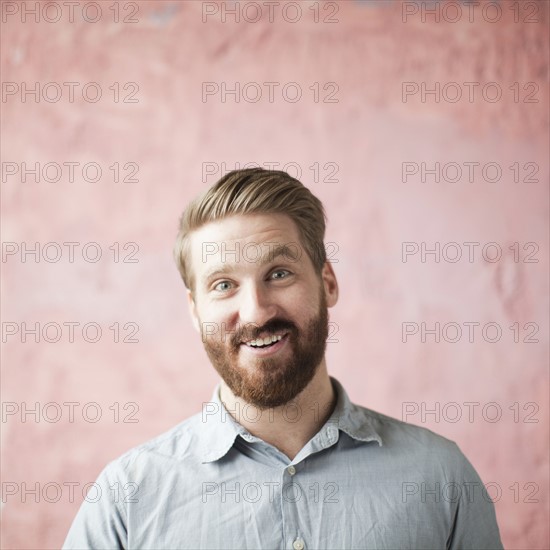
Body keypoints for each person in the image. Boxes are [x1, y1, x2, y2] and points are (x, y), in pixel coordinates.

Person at [63, 168, 503, 549]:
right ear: (195, 312)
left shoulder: (441, 478)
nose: (256, 311)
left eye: (279, 273)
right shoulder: (126, 497)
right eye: (223, 285)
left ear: (327, 282)